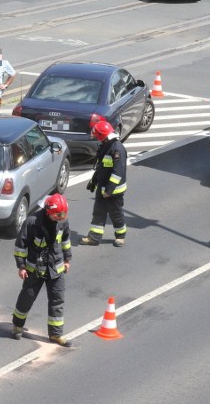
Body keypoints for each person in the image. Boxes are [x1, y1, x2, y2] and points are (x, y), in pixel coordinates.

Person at [12, 193, 73, 347]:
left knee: (57, 301)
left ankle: (55, 335)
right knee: (27, 298)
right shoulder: (32, 222)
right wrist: (21, 266)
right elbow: (20, 245)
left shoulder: (62, 222)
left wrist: (67, 259)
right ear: (48, 211)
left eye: (63, 214)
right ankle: (17, 326)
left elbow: (65, 240)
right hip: (35, 270)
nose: (61, 217)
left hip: (56, 269)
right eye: (58, 214)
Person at [80, 120, 128, 247]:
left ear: (102, 136)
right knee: (98, 213)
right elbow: (102, 168)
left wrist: (109, 190)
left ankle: (120, 236)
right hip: (102, 189)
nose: (97, 139)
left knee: (116, 214)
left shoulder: (117, 149)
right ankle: (94, 238)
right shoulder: (106, 147)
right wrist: (93, 181)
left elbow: (118, 172)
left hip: (114, 191)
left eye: (97, 137)